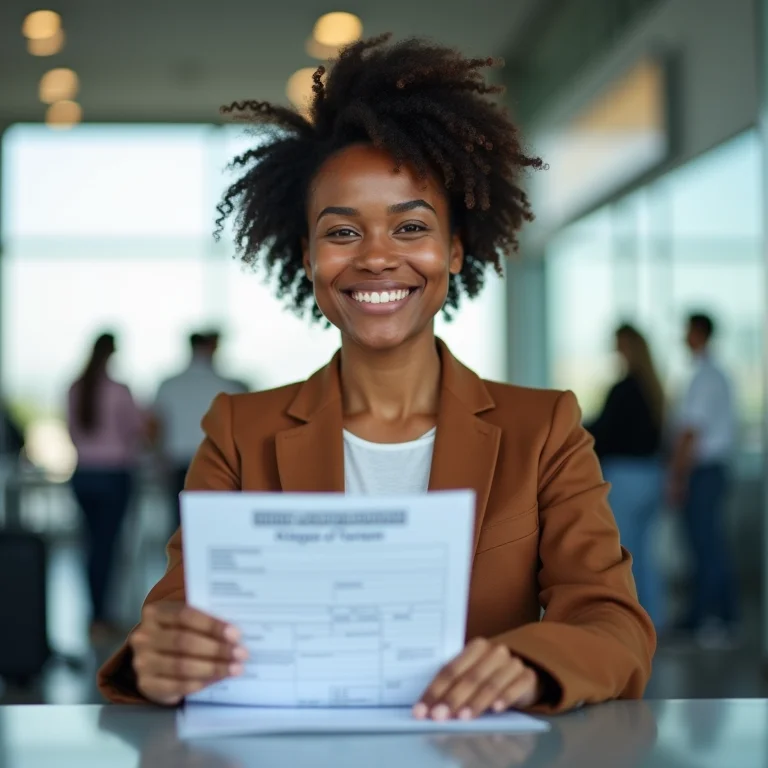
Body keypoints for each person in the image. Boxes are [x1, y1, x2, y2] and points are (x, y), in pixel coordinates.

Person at [98, 35, 655, 716]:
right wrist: (162, 657)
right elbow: (174, 615)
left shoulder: (542, 430)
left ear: (455, 249)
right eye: (342, 233)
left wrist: (531, 665)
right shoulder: (240, 433)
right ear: (308, 256)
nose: (376, 258)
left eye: (411, 227)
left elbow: (612, 620)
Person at [67, 332, 146, 642]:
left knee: (92, 547)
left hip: (83, 474)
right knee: (107, 548)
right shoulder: (118, 390)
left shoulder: (75, 388)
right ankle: (103, 617)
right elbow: (136, 430)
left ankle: (96, 614)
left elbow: (70, 431)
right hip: (113, 474)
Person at [586, 324, 665, 629]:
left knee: (623, 555)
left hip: (627, 478)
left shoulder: (623, 389)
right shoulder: (653, 388)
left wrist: (571, 427)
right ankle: (653, 621)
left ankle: (628, 625)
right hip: (652, 475)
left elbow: (605, 432)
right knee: (645, 554)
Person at [668, 312, 737, 646]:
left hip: (703, 471)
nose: (683, 337)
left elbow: (691, 432)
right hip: (712, 470)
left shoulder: (703, 377)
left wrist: (677, 476)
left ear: (698, 333)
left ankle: (711, 619)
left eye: (686, 330)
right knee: (710, 544)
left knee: (705, 546)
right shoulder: (716, 374)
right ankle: (718, 616)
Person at [152, 331, 247, 530]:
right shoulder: (230, 386)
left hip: (178, 463)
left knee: (180, 527)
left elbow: (156, 428)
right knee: (214, 526)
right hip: (216, 463)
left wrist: (159, 460)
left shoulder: (168, 385)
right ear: (212, 348)